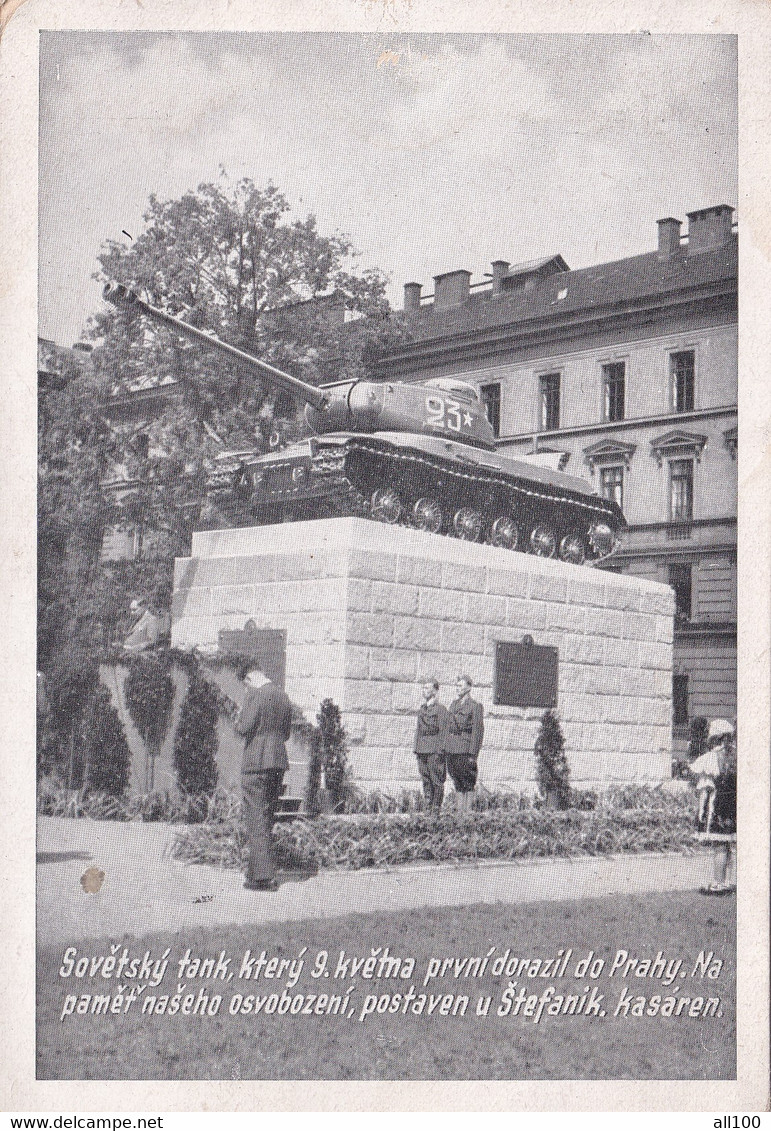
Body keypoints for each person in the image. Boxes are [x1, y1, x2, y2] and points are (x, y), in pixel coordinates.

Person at [234, 663, 293, 892]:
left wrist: (239, 715)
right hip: (277, 761)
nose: (247, 689)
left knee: (255, 816)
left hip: (256, 762)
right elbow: (286, 734)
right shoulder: (283, 696)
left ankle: (264, 877)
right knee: (266, 815)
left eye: (246, 685)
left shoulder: (256, 695)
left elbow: (243, 728)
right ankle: (256, 872)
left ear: (250, 679)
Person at [691, 718, 736, 895]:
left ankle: (718, 883)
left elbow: (706, 788)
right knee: (728, 845)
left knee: (719, 846)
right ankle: (726, 881)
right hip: (733, 807)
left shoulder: (710, 759)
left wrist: (701, 810)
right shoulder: (737, 756)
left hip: (718, 806)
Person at [444, 674, 484, 812]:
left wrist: (473, 754)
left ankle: (468, 815)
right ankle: (460, 815)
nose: (457, 689)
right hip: (452, 749)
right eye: (456, 686)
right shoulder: (453, 705)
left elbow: (477, 731)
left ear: (469, 687)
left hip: (465, 750)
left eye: (460, 686)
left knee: (468, 783)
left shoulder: (475, 706)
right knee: (457, 782)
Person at [413, 678, 449, 814]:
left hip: (434, 750)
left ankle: (436, 809)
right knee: (426, 779)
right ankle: (428, 807)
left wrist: (440, 751)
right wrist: (416, 749)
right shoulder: (422, 709)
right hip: (422, 750)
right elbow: (418, 731)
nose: (424, 690)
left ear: (435, 691)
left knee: (436, 780)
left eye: (427, 688)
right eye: (423, 688)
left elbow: (444, 732)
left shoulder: (441, 710)